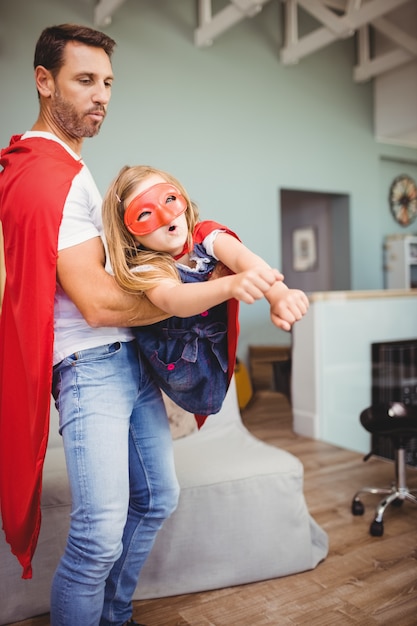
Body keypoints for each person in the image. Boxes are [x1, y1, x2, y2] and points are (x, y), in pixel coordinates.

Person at [1, 24, 187, 626]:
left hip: (126, 362)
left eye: (107, 82)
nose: (101, 94)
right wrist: (191, 301)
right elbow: (99, 305)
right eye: (85, 80)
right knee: (100, 531)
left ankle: (115, 615)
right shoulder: (44, 176)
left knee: (158, 497)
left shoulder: (70, 168)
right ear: (43, 81)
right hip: (91, 366)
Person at [102, 165, 309, 426]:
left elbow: (246, 261)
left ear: (183, 199)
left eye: (169, 199)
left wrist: (278, 294)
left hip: (213, 360)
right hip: (177, 369)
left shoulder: (207, 235)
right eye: (144, 213)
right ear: (128, 233)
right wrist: (229, 286)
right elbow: (174, 299)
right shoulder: (146, 267)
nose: (166, 217)